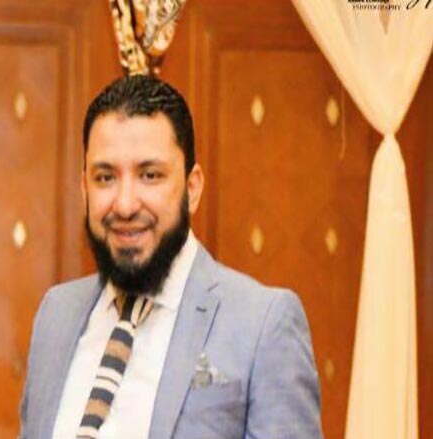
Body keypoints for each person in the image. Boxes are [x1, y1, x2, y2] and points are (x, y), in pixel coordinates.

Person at [19, 75, 323, 439]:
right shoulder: (56, 313)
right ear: (84, 189)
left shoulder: (263, 325)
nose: (125, 204)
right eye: (105, 177)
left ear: (192, 189)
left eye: (150, 175)